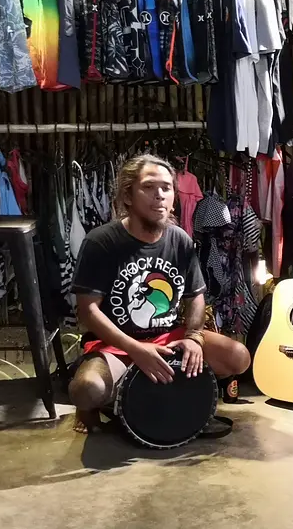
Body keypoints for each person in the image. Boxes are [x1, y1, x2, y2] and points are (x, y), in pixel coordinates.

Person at [68, 155, 251, 433]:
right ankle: (100, 403)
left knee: (238, 357)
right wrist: (135, 349)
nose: (159, 196)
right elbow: (87, 311)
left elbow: (196, 296)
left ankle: (168, 394)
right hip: (116, 345)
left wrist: (193, 337)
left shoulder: (179, 240)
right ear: (128, 196)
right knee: (86, 390)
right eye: (149, 187)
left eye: (166, 188)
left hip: (168, 338)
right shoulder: (102, 242)